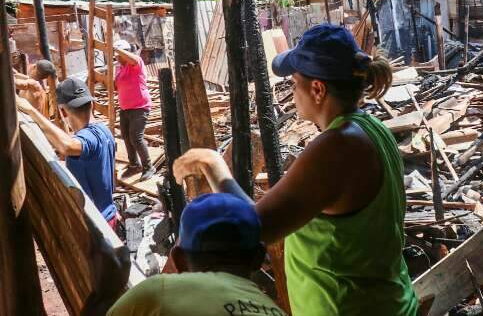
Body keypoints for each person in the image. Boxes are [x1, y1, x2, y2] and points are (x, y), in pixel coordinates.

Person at [173, 24, 419, 316]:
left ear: (317, 89)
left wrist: (213, 165)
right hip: (388, 301)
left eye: (294, 82)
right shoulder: (370, 128)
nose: (291, 91)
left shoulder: (336, 148)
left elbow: (256, 228)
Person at [108, 193, 286, 316]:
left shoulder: (159, 292)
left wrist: (105, 288)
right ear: (259, 257)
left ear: (178, 260)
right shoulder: (277, 311)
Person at [16, 77, 117, 228]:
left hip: (96, 227)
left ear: (62, 110)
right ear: (91, 103)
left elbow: (66, 146)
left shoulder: (88, 138)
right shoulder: (105, 131)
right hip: (110, 216)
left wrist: (32, 112)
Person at [113, 39, 155, 179]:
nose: (117, 58)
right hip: (125, 107)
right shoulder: (119, 67)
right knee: (126, 137)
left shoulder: (136, 62)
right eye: (116, 56)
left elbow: (133, 59)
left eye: (119, 55)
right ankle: (134, 165)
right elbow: (116, 85)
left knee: (136, 137)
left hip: (140, 106)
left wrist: (115, 48)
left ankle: (149, 166)